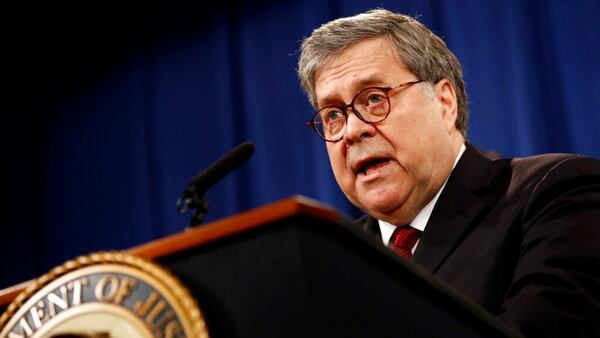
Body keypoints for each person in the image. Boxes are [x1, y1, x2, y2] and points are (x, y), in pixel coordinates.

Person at [298, 9, 600, 337]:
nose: (352, 130)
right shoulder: (328, 263)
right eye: (333, 115)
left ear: (445, 103)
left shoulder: (556, 192)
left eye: (374, 98)